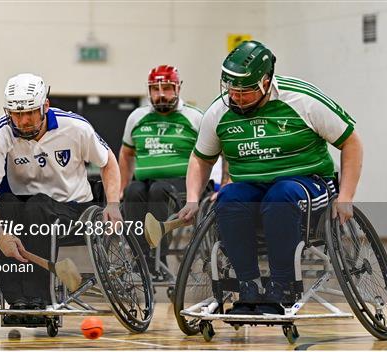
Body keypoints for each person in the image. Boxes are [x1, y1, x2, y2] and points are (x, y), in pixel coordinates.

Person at [178, 41, 363, 315]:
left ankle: (282, 286)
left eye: (245, 92)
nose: (236, 98)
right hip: (251, 186)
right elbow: (201, 158)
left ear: (266, 82)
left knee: (281, 195)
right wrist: (193, 198)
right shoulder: (219, 111)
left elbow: (351, 143)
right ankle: (248, 286)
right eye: (232, 90)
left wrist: (346, 196)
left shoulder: (303, 100)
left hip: (308, 183)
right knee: (228, 197)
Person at [0, 73, 122, 315]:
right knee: (7, 204)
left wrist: (113, 205)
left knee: (37, 206)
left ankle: (39, 296)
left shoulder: (75, 127)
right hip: (27, 208)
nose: (24, 120)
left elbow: (109, 162)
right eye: (17, 114)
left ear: (45, 106)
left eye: (31, 112)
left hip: (74, 210)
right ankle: (17, 300)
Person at [119, 65, 203, 279]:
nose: (161, 94)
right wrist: (120, 188)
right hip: (145, 182)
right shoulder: (136, 117)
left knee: (159, 190)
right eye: (155, 89)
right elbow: (126, 154)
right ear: (149, 91)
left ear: (178, 88)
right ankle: (141, 257)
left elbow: (214, 154)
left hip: (181, 185)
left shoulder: (195, 117)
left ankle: (158, 258)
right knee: (133, 191)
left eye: (167, 88)